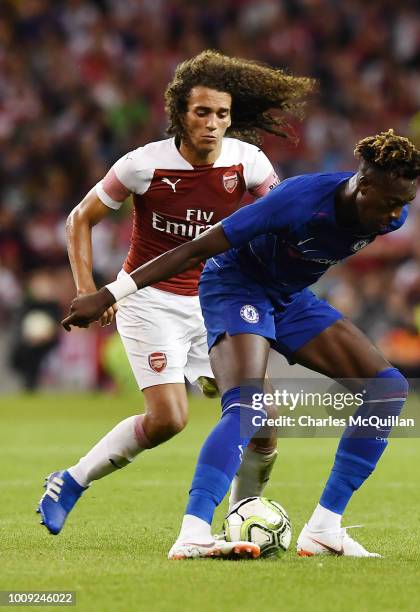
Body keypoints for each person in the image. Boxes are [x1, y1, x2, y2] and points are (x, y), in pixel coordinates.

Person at [61, 129, 420, 559]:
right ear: (363, 184)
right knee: (248, 407)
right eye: (390, 202)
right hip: (236, 286)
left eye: (404, 203)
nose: (396, 215)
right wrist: (110, 294)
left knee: (388, 388)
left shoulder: (386, 215)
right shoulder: (297, 201)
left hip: (289, 296)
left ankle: (325, 528)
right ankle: (194, 531)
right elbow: (196, 249)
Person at [37, 50, 315, 537]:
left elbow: (285, 213)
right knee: (168, 420)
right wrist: (90, 290)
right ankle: (71, 480)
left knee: (263, 423)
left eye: (222, 114)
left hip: (216, 303)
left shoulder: (247, 162)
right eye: (201, 112)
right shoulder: (141, 166)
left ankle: (240, 518)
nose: (212, 124)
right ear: (180, 115)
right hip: (150, 300)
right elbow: (79, 218)